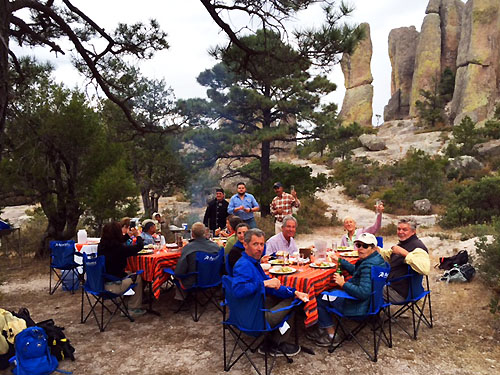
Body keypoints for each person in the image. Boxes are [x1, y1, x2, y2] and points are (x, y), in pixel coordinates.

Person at [232, 228, 309, 356]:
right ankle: (275, 344)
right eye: (255, 244)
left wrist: (295, 292)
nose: (259, 248)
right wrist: (264, 284)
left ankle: (271, 340)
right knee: (294, 303)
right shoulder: (243, 265)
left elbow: (272, 287)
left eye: (262, 244)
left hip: (251, 309)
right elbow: (238, 291)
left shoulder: (253, 263)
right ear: (245, 245)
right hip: (252, 318)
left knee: (287, 297)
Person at [307, 233, 386, 346]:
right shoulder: (376, 260)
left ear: (373, 248)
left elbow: (363, 293)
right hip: (374, 303)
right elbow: (357, 272)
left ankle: (331, 335)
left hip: (359, 306)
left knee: (319, 297)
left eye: (365, 246)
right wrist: (340, 261)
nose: (360, 249)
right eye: (358, 245)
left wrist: (343, 284)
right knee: (330, 291)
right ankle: (322, 327)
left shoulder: (368, 265)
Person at [97, 221, 146, 316]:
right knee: (138, 277)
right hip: (113, 285)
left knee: (130, 273)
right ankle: (133, 308)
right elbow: (139, 247)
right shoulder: (120, 249)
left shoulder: (101, 246)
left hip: (100, 282)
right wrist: (138, 236)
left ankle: (127, 303)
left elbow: (115, 243)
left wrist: (127, 235)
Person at [379, 218, 430, 303]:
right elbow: (388, 255)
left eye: (405, 230)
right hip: (401, 288)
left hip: (400, 293)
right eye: (399, 229)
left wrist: (405, 254)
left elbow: (425, 269)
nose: (400, 232)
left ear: (413, 232)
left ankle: (367, 315)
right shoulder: (404, 243)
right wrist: (374, 249)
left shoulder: (418, 247)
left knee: (369, 288)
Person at [175, 222, 221, 289]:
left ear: (192, 234)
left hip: (193, 282)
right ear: (204, 233)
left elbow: (179, 272)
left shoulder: (188, 248)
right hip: (213, 279)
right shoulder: (216, 247)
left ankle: (182, 297)